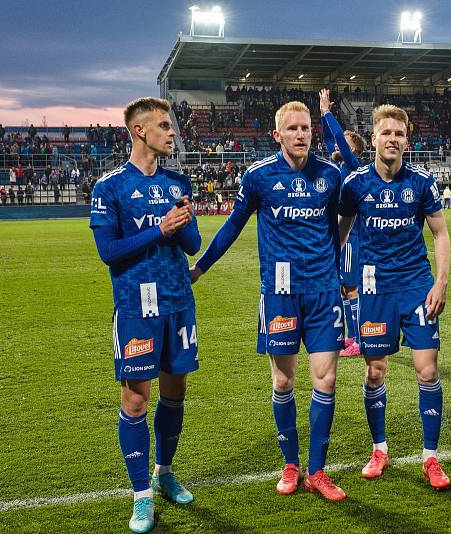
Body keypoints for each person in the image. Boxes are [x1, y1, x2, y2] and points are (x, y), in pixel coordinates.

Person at [190, 101, 347, 501]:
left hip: (322, 292)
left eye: (306, 128)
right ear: (277, 135)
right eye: (292, 128)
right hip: (279, 294)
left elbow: (341, 227)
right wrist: (200, 267)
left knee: (325, 380)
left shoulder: (330, 176)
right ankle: (291, 465)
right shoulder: (259, 176)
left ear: (313, 132)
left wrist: (340, 272)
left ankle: (317, 471)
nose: (300, 134)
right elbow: (232, 226)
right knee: (283, 380)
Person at [89, 97, 201, 534]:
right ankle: (141, 497)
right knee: (136, 399)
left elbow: (191, 244)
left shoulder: (178, 182)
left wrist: (183, 220)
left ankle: (165, 471)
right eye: (163, 126)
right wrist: (159, 229)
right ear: (139, 131)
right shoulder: (110, 187)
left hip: (179, 302)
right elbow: (108, 252)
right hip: (137, 306)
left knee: (175, 393)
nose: (172, 132)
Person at [338, 104, 451, 490]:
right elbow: (339, 233)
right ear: (374, 138)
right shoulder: (355, 184)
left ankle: (430, 458)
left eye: (399, 134)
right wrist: (326, 276)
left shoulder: (422, 182)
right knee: (375, 371)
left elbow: (440, 234)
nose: (392, 139)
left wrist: (441, 282)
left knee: (428, 370)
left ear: (407, 139)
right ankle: (380, 449)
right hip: (374, 289)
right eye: (385, 133)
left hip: (417, 287)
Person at [319, 88, 367, 357]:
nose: (336, 146)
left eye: (343, 143)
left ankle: (360, 340)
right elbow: (329, 138)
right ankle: (352, 336)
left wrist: (329, 113)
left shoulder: (352, 164)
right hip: (338, 232)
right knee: (343, 287)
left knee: (352, 287)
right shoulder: (338, 163)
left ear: (353, 149)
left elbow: (336, 137)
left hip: (352, 235)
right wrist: (322, 113)